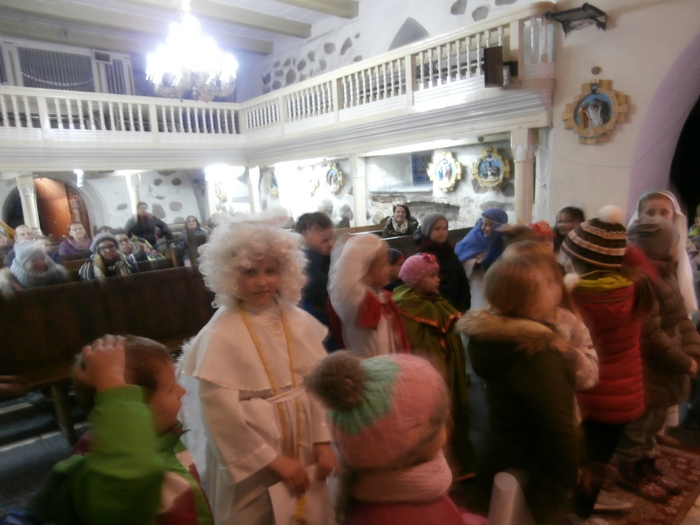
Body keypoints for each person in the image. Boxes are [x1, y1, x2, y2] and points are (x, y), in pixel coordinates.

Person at [178, 210, 336, 525]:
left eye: (270, 271)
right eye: (249, 272)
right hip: (255, 459)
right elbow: (220, 414)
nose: (262, 282)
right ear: (228, 274)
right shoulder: (219, 333)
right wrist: (271, 460)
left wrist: (322, 440)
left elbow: (317, 384)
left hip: (303, 438)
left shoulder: (297, 320)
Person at [26, 335, 213, 525]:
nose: (182, 391)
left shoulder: (161, 436)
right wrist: (111, 380)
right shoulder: (114, 471)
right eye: (170, 389)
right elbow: (133, 475)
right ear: (138, 410)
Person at [457, 253, 579, 525]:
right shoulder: (536, 354)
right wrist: (570, 473)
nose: (559, 286)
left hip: (500, 452)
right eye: (550, 283)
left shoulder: (496, 338)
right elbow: (557, 424)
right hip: (533, 468)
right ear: (531, 300)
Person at [562, 206, 655, 523]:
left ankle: (569, 514)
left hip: (586, 397)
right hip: (623, 397)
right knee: (597, 463)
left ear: (576, 261)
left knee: (574, 462)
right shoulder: (636, 289)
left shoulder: (575, 300)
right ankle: (584, 514)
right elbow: (641, 266)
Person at [306, 351, 466, 525]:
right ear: (410, 447)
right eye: (438, 420)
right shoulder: (391, 518)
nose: (449, 416)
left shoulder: (400, 492)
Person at [614, 219, 700, 499]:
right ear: (662, 247)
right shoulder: (641, 280)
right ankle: (630, 467)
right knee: (639, 425)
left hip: (666, 368)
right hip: (648, 369)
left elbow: (681, 319)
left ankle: (646, 463)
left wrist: (693, 351)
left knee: (654, 423)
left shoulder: (666, 273)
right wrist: (684, 362)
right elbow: (651, 336)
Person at [393, 253, 475, 481]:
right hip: (430, 364)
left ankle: (460, 459)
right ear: (415, 280)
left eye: (437, 274)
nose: (438, 280)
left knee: (455, 403)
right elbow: (414, 339)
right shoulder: (407, 304)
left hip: (449, 362)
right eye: (431, 276)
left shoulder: (436, 300)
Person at [328, 233, 410, 357]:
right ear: (365, 269)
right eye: (384, 264)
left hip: (391, 363)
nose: (389, 268)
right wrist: (365, 245)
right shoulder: (356, 301)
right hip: (369, 365)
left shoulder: (381, 297)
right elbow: (342, 283)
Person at [631, 190, 697, 317]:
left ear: (673, 215)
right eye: (650, 213)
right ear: (640, 216)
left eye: (664, 213)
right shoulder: (633, 245)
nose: (657, 218)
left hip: (670, 306)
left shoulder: (677, 249)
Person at [295, 212, 337, 351]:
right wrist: (312, 249)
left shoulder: (328, 259)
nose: (331, 244)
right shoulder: (302, 262)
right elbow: (309, 287)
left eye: (331, 238)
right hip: (316, 319)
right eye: (324, 240)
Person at [413, 213, 470, 312]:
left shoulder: (449, 252)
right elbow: (422, 288)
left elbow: (462, 279)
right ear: (427, 231)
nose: (442, 232)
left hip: (457, 306)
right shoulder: (423, 256)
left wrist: (464, 305)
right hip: (437, 309)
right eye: (437, 229)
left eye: (445, 228)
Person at [455, 208, 507, 309]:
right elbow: (460, 257)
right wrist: (475, 262)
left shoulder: (502, 241)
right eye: (482, 223)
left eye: (487, 225)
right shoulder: (474, 238)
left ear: (497, 226)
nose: (482, 227)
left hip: (496, 284)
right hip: (477, 282)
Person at [0, 241, 67, 293]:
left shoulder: (58, 276)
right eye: (34, 260)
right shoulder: (10, 283)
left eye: (43, 258)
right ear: (23, 264)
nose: (41, 263)